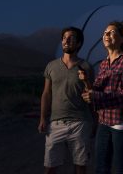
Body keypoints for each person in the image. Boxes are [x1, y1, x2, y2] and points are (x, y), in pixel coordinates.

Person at [81, 21, 123, 174]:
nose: (106, 34)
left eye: (112, 32)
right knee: (101, 168)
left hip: (121, 123)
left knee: (122, 169)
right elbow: (97, 89)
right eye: (105, 32)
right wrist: (87, 81)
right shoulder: (104, 63)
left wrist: (97, 96)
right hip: (104, 122)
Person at [38, 26, 94, 174]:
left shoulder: (86, 67)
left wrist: (87, 81)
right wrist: (43, 118)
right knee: (50, 166)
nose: (66, 40)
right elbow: (46, 93)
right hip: (56, 122)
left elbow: (91, 95)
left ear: (79, 44)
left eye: (71, 38)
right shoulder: (52, 66)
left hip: (80, 122)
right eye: (64, 38)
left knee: (80, 166)